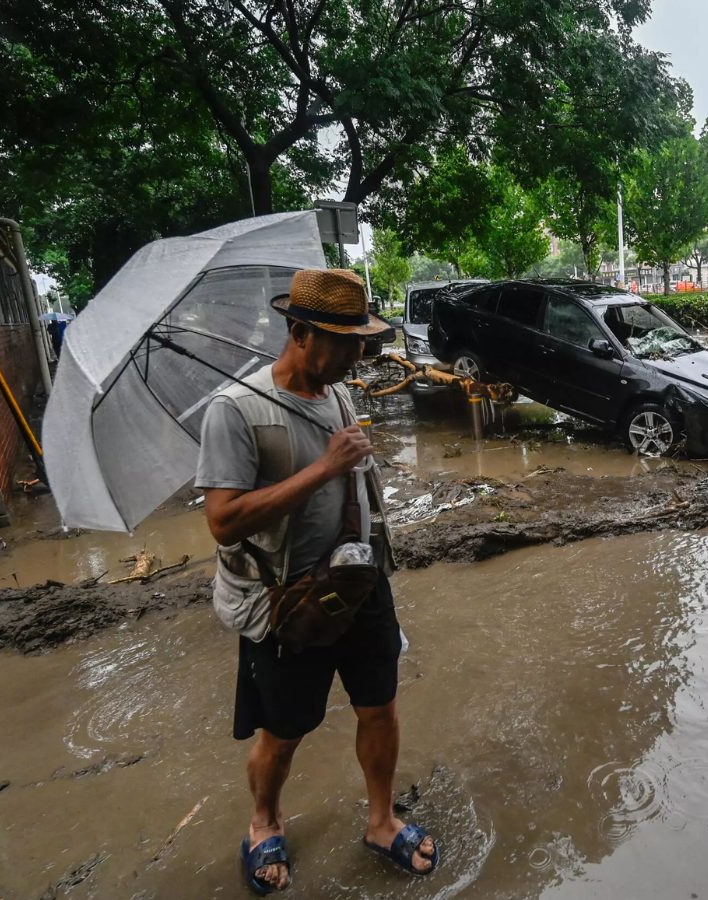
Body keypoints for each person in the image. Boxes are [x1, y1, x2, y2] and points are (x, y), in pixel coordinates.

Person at [195, 269, 438, 894]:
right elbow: (222, 521)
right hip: (286, 601)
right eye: (346, 341)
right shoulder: (235, 411)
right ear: (299, 333)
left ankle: (382, 821)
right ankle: (263, 821)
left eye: (362, 339)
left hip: (357, 581)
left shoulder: (336, 391)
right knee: (285, 730)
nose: (361, 352)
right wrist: (326, 465)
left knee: (379, 707)